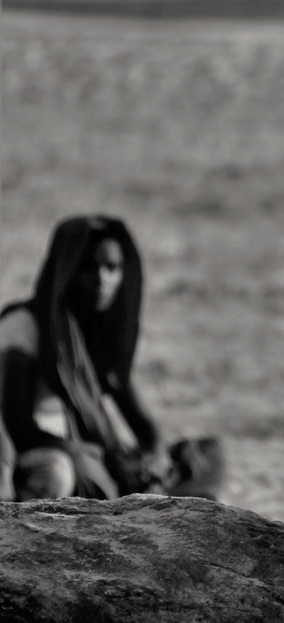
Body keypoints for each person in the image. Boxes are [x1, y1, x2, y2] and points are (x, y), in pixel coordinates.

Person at [0, 214, 223, 503]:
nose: (102, 279)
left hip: (89, 449)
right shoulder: (23, 327)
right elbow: (17, 425)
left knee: (208, 455)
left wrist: (153, 456)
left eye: (112, 268)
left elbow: (141, 420)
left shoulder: (96, 332)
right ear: (65, 270)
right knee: (63, 472)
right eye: (88, 268)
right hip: (33, 453)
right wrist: (102, 455)